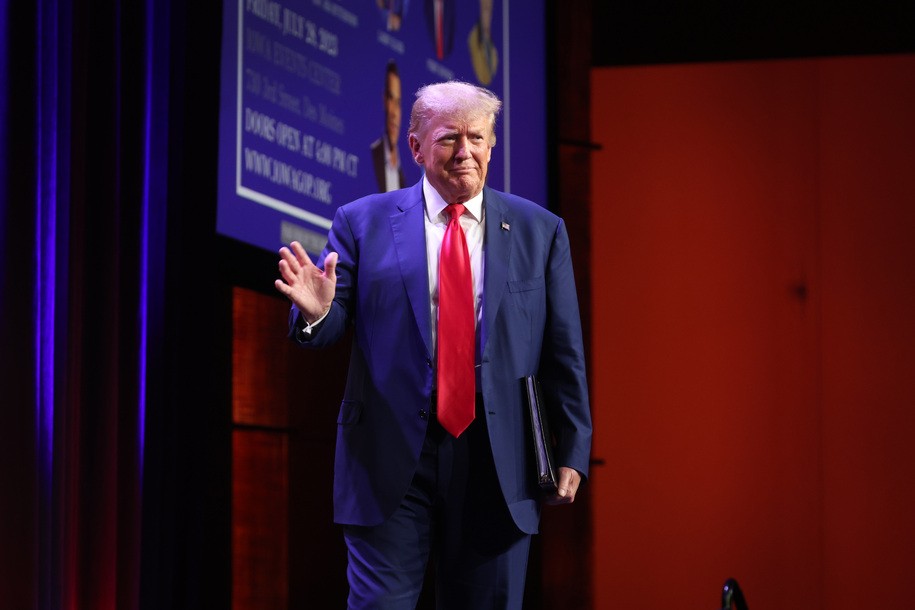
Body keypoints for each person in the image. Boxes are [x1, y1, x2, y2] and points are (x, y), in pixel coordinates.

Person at [275, 81, 591, 609]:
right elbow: (329, 329)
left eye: (477, 138)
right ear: (417, 147)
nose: (464, 152)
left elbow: (564, 352)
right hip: (388, 460)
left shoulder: (541, 230)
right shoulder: (361, 222)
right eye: (448, 139)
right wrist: (319, 311)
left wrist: (574, 450)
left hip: (500, 462)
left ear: (492, 145)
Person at [370, 60, 407, 192]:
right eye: (391, 99)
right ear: (384, 100)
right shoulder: (372, 155)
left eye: (398, 103)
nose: (394, 114)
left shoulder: (407, 178)